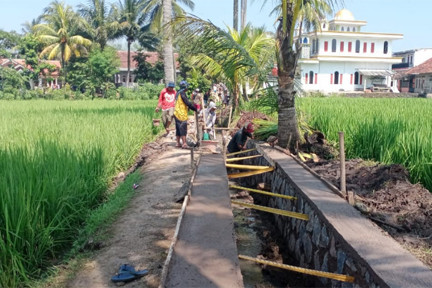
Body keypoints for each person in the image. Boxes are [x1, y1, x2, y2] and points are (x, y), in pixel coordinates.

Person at [173, 80, 198, 148]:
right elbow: (187, 102)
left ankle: (178, 143)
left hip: (177, 113)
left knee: (178, 129)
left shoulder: (178, 93)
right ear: (185, 87)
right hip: (181, 114)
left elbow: (183, 103)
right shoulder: (182, 93)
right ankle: (184, 143)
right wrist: (195, 109)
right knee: (183, 129)